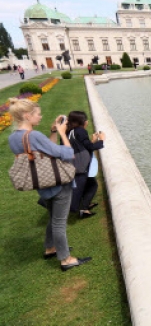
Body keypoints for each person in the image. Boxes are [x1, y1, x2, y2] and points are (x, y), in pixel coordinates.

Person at [8, 98, 92, 271]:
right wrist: (62, 133)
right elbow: (68, 153)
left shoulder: (14, 138)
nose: (40, 116)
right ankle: (66, 259)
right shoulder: (34, 136)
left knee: (53, 217)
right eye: (38, 114)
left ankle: (50, 248)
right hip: (58, 183)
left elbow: (46, 153)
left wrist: (52, 132)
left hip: (42, 183)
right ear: (27, 115)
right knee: (60, 222)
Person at [65, 111, 105, 218]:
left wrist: (92, 141)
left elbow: (82, 146)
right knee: (92, 185)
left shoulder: (68, 132)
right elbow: (90, 148)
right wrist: (101, 140)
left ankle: (85, 204)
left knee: (86, 183)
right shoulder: (80, 131)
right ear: (82, 122)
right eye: (85, 120)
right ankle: (84, 209)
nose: (87, 121)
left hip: (72, 162)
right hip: (80, 164)